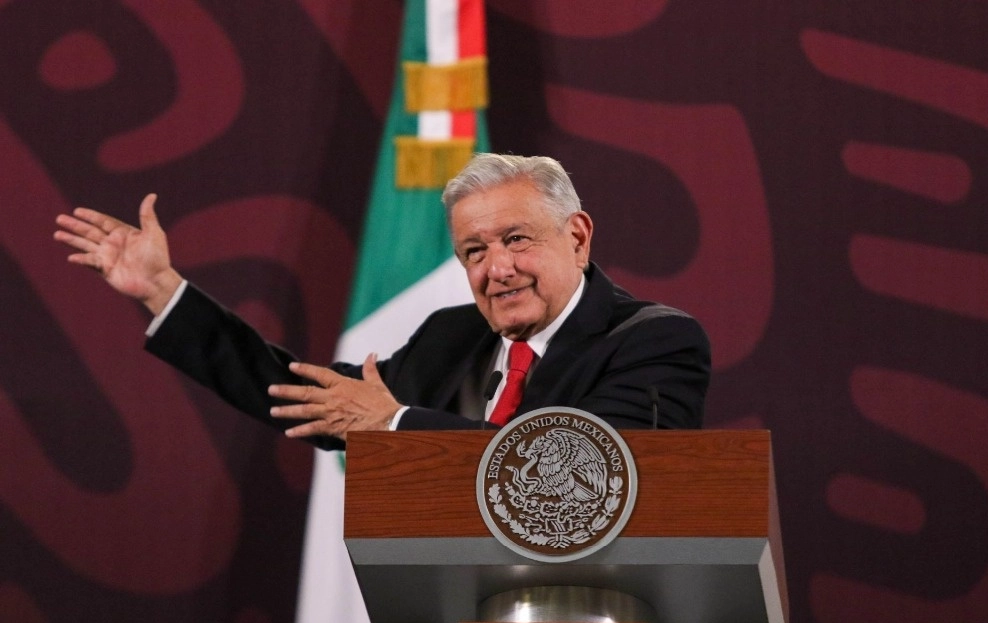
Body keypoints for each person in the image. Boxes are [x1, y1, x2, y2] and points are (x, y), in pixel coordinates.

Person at [53, 153, 710, 452]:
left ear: (577, 236)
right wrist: (163, 291)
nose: (497, 268)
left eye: (516, 240)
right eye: (474, 252)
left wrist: (396, 426)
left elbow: (582, 471)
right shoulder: (451, 338)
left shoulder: (654, 342)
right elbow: (297, 395)